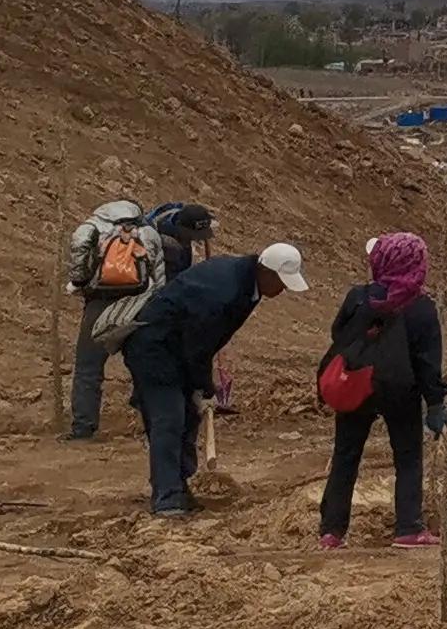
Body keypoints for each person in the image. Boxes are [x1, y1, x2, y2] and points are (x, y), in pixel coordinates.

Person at [122, 239, 303, 517]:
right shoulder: (226, 290)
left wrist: (199, 387)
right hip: (154, 347)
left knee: (188, 417)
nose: (282, 290)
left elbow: (202, 341)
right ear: (267, 271)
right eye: (281, 282)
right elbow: (198, 342)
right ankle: (166, 497)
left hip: (178, 348)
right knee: (168, 419)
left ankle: (178, 486)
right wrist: (202, 386)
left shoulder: (246, 284)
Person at [315, 232, 447, 548]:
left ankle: (332, 531)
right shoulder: (421, 307)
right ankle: (408, 528)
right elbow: (428, 362)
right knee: (408, 456)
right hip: (401, 390)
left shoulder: (357, 298)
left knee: (346, 455)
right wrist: (435, 404)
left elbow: (339, 335)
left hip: (355, 384)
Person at [59, 199, 166, 439]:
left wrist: (79, 282)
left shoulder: (93, 226)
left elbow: (78, 247)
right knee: (145, 365)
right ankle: (156, 425)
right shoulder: (148, 232)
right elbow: (159, 277)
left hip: (99, 303)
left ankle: (83, 429)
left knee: (88, 367)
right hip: (138, 304)